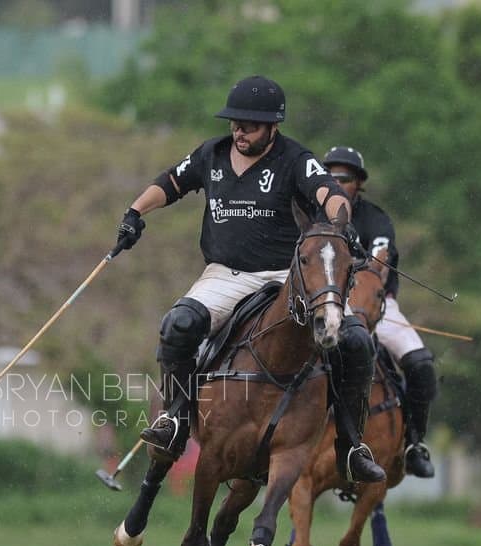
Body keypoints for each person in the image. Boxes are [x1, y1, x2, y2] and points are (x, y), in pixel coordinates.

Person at [113, 76, 386, 484]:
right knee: (178, 326)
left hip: (286, 277)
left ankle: (350, 445)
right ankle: (176, 420)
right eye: (235, 123)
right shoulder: (212, 154)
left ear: (273, 126)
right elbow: (170, 182)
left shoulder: (294, 158)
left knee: (357, 341)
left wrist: (340, 223)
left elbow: (329, 193)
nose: (240, 131)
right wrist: (135, 213)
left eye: (250, 125)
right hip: (226, 274)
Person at [321, 146, 437, 478]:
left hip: (375, 306)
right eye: (330, 176)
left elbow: (379, 261)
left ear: (359, 183)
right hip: (324, 305)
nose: (337, 182)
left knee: (421, 365)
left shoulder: (375, 219)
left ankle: (414, 444)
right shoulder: (311, 216)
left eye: (345, 177)